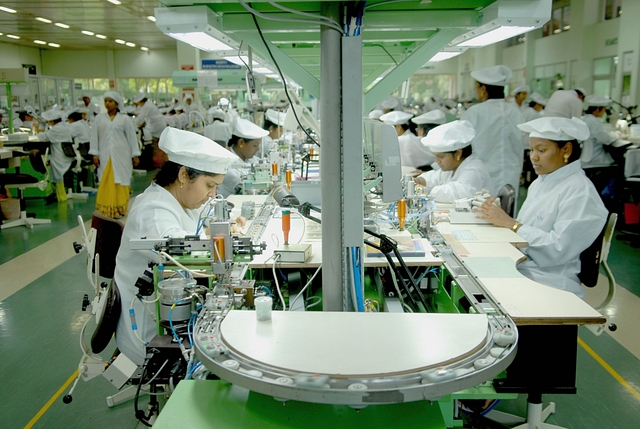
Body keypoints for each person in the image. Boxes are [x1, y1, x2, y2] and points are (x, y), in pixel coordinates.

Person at [114, 127, 241, 365]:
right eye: (209, 185)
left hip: (174, 312)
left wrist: (229, 222)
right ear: (184, 175)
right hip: (153, 331)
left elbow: (208, 214)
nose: (213, 194)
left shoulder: (179, 199)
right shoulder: (153, 212)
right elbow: (184, 251)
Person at [474, 116, 608, 299]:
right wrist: (496, 215)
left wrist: (512, 225)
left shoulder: (580, 192)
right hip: (526, 265)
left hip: (550, 280)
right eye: (531, 149)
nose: (533, 157)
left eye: (542, 150)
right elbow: (526, 228)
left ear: (566, 149)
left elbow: (557, 249)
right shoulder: (542, 182)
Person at [461, 65, 525, 198]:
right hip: (510, 173)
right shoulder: (515, 112)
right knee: (506, 212)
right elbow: (520, 145)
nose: (475, 90)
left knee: (481, 213)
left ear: (483, 89)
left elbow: (461, 143)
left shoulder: (475, 112)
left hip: (482, 174)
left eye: (476, 86)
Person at [414, 120, 495, 202]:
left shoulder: (474, 169)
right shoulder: (452, 168)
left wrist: (420, 189)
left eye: (440, 156)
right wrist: (418, 181)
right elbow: (433, 178)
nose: (436, 160)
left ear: (458, 153)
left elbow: (455, 193)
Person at [89, 91, 140, 218]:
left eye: (110, 101)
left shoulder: (124, 119)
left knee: (121, 181)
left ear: (117, 104)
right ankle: (106, 210)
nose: (107, 103)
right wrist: (94, 154)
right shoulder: (99, 119)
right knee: (106, 182)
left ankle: (119, 209)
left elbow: (131, 137)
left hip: (122, 155)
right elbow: (94, 137)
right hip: (104, 155)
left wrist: (135, 154)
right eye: (106, 101)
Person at [217, 118, 269, 198]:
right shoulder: (228, 167)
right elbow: (250, 190)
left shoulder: (249, 158)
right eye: (255, 145)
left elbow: (262, 166)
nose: (258, 149)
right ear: (241, 143)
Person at [37, 109, 75, 202]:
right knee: (58, 175)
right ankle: (60, 195)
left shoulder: (57, 129)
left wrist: (38, 129)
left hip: (61, 157)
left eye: (49, 122)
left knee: (58, 175)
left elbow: (42, 136)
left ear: (52, 121)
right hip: (65, 155)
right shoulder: (63, 126)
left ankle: (61, 197)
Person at [133, 93, 167, 169]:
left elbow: (141, 117)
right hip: (157, 126)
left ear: (141, 102)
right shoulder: (148, 105)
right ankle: (161, 163)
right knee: (160, 146)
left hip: (157, 127)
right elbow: (145, 118)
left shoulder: (146, 106)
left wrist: (132, 124)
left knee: (156, 146)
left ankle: (158, 164)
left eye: (138, 103)